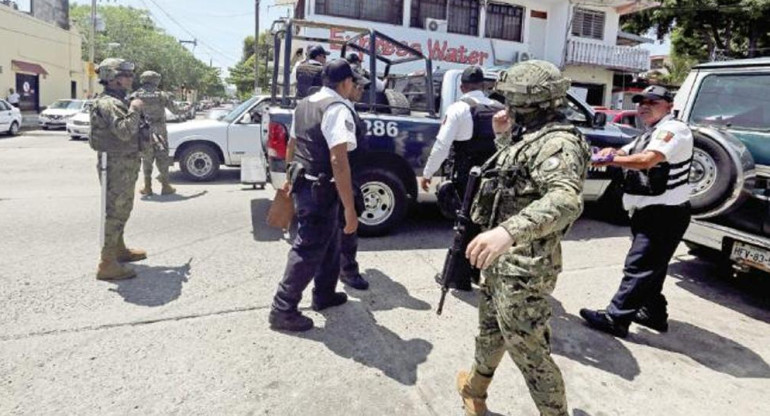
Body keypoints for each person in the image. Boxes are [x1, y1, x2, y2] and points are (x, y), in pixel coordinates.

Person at [456, 60, 590, 416]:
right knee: (489, 330)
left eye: (512, 101)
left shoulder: (559, 143)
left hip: (525, 266)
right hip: (501, 261)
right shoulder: (532, 136)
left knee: (529, 352)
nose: (506, 106)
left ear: (531, 102)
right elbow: (514, 180)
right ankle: (475, 391)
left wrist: (508, 231)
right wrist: (503, 136)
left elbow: (565, 198)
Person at [580, 85, 693, 338]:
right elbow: (628, 150)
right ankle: (654, 314)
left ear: (668, 105)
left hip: (665, 213)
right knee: (653, 266)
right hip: (650, 211)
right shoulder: (652, 132)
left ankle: (616, 318)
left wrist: (604, 160)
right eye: (641, 101)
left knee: (639, 266)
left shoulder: (674, 130)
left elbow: (646, 160)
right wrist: (613, 151)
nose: (644, 106)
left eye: (652, 101)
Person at [270, 59, 370, 332]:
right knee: (307, 248)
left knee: (331, 241)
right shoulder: (337, 109)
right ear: (346, 83)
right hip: (322, 189)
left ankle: (324, 294)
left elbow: (292, 144)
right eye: (353, 83)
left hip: (306, 183)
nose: (354, 87)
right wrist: (350, 208)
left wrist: (290, 177)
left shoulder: (305, 104)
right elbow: (339, 160)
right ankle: (282, 309)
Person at [422, 65, 504, 291]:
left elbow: (441, 145)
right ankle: (478, 272)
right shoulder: (499, 108)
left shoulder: (459, 108)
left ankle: (458, 278)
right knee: (485, 223)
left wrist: (428, 173)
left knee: (464, 225)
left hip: (467, 177)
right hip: (494, 177)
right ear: (483, 85)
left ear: (462, 87)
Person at [89, 58, 147, 281]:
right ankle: (107, 263)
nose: (131, 78)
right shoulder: (109, 103)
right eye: (126, 75)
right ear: (113, 77)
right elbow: (124, 131)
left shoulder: (117, 100)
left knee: (123, 209)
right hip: (116, 164)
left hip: (124, 163)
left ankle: (118, 249)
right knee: (115, 212)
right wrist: (134, 109)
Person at [131, 71, 178, 196]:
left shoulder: (136, 95)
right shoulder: (162, 95)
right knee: (162, 157)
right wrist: (190, 107)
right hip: (159, 131)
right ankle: (165, 186)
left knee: (147, 158)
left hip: (144, 131)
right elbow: (176, 110)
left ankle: (147, 187)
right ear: (155, 80)